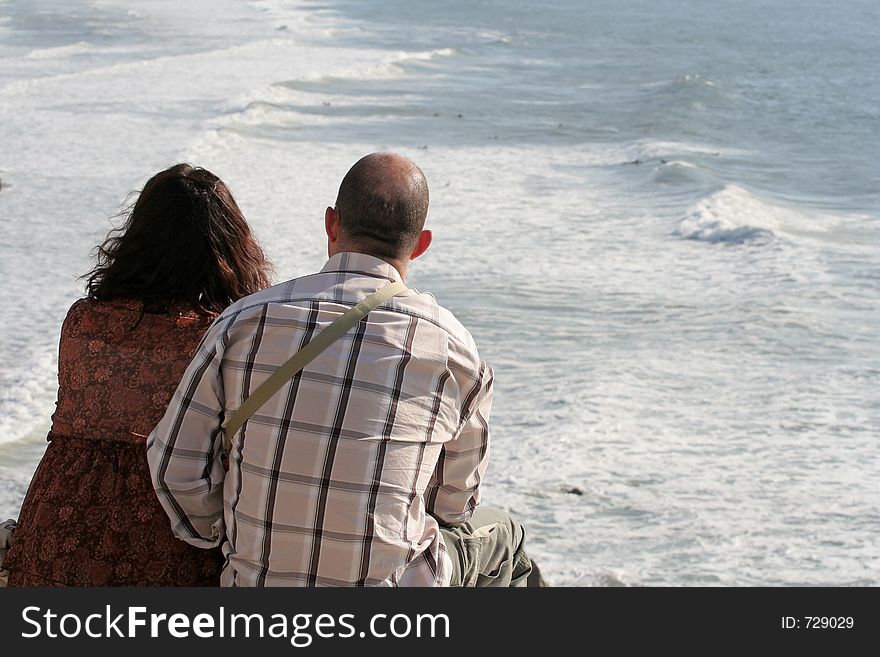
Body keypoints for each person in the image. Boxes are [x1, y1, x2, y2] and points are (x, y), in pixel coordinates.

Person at [147, 152, 532, 587]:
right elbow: (453, 505)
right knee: (504, 535)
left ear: (331, 223)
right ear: (421, 244)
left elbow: (174, 467)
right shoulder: (456, 352)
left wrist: (227, 532)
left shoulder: (243, 322)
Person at [4, 164, 272, 586]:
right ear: (229, 248)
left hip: (58, 522)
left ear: (136, 237)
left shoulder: (82, 321)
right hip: (168, 529)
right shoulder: (221, 338)